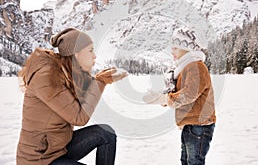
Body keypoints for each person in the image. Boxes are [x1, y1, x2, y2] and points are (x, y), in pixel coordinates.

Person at [16, 27, 127, 165]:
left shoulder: (66, 72)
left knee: (106, 134)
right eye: (90, 50)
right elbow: (79, 118)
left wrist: (104, 79)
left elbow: (87, 89)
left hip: (59, 148)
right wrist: (101, 82)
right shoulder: (46, 78)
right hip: (39, 159)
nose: (94, 56)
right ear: (76, 54)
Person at [144, 27, 216, 165]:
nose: (172, 51)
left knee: (194, 162)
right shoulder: (185, 68)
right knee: (186, 161)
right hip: (191, 124)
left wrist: (166, 99)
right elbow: (180, 93)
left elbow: (189, 94)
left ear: (186, 48)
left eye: (176, 48)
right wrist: (161, 97)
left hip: (199, 125)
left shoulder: (196, 66)